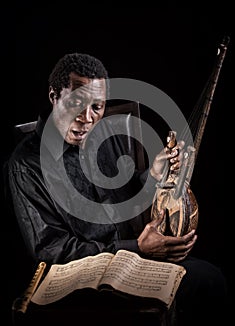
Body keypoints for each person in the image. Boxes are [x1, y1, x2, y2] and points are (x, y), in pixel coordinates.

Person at [4, 53, 228, 325]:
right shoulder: (25, 165)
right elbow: (52, 251)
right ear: (54, 96)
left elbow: (126, 197)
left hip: (133, 266)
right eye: (76, 103)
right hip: (79, 283)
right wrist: (138, 247)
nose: (86, 118)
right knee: (193, 288)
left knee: (210, 278)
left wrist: (152, 176)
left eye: (96, 107)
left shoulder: (104, 135)